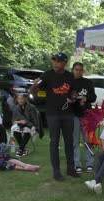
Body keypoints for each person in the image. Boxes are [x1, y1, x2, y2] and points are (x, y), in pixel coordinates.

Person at [29, 52, 79, 181]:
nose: (56, 63)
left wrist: (73, 98)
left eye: (58, 61)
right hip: (53, 114)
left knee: (69, 141)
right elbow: (33, 91)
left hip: (68, 114)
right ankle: (56, 171)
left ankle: (70, 169)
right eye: (54, 61)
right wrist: (34, 87)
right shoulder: (47, 75)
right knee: (54, 142)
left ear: (65, 63)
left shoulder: (70, 76)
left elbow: (73, 92)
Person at [72, 62, 97, 173]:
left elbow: (93, 97)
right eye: (76, 69)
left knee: (88, 140)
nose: (78, 71)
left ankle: (89, 163)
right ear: (73, 70)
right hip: (73, 115)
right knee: (75, 140)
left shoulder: (88, 82)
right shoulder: (69, 82)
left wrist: (86, 98)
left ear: (83, 71)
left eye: (80, 69)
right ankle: (77, 164)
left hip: (86, 115)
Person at [10, 91, 39, 157]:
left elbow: (35, 120)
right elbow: (13, 121)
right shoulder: (16, 108)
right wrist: (20, 122)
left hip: (31, 125)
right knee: (15, 131)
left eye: (22, 98)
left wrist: (27, 122)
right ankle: (23, 149)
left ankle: (20, 149)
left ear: (25, 98)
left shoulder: (31, 107)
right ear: (17, 99)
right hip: (20, 124)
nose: (20, 100)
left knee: (27, 130)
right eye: (18, 99)